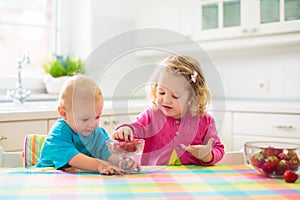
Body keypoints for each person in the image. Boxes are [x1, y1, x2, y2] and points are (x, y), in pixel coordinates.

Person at [113, 55, 225, 166]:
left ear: (192, 97)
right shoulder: (152, 115)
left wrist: (207, 155)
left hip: (193, 180)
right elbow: (136, 128)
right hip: (156, 179)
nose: (166, 100)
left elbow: (218, 149)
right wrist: (126, 130)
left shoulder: (205, 120)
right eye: (161, 92)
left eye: (175, 96)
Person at [37, 74, 140, 174]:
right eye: (85, 119)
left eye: (97, 117)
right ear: (63, 113)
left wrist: (122, 163)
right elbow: (74, 158)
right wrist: (99, 165)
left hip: (80, 183)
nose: (93, 124)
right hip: (48, 181)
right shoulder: (58, 133)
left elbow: (107, 155)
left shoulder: (97, 133)